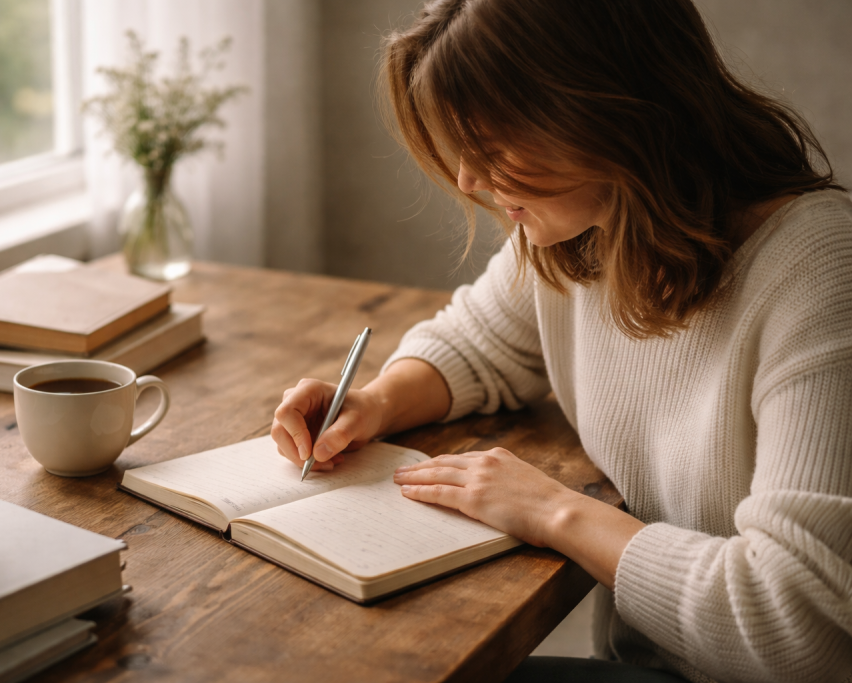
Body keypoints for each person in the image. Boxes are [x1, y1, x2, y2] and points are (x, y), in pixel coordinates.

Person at [271, 1, 852, 681]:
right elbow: (478, 340)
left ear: (603, 109)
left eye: (491, 144)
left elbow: (797, 625)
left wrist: (551, 510)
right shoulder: (593, 221)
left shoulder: (819, 272)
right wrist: (373, 402)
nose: (467, 178)